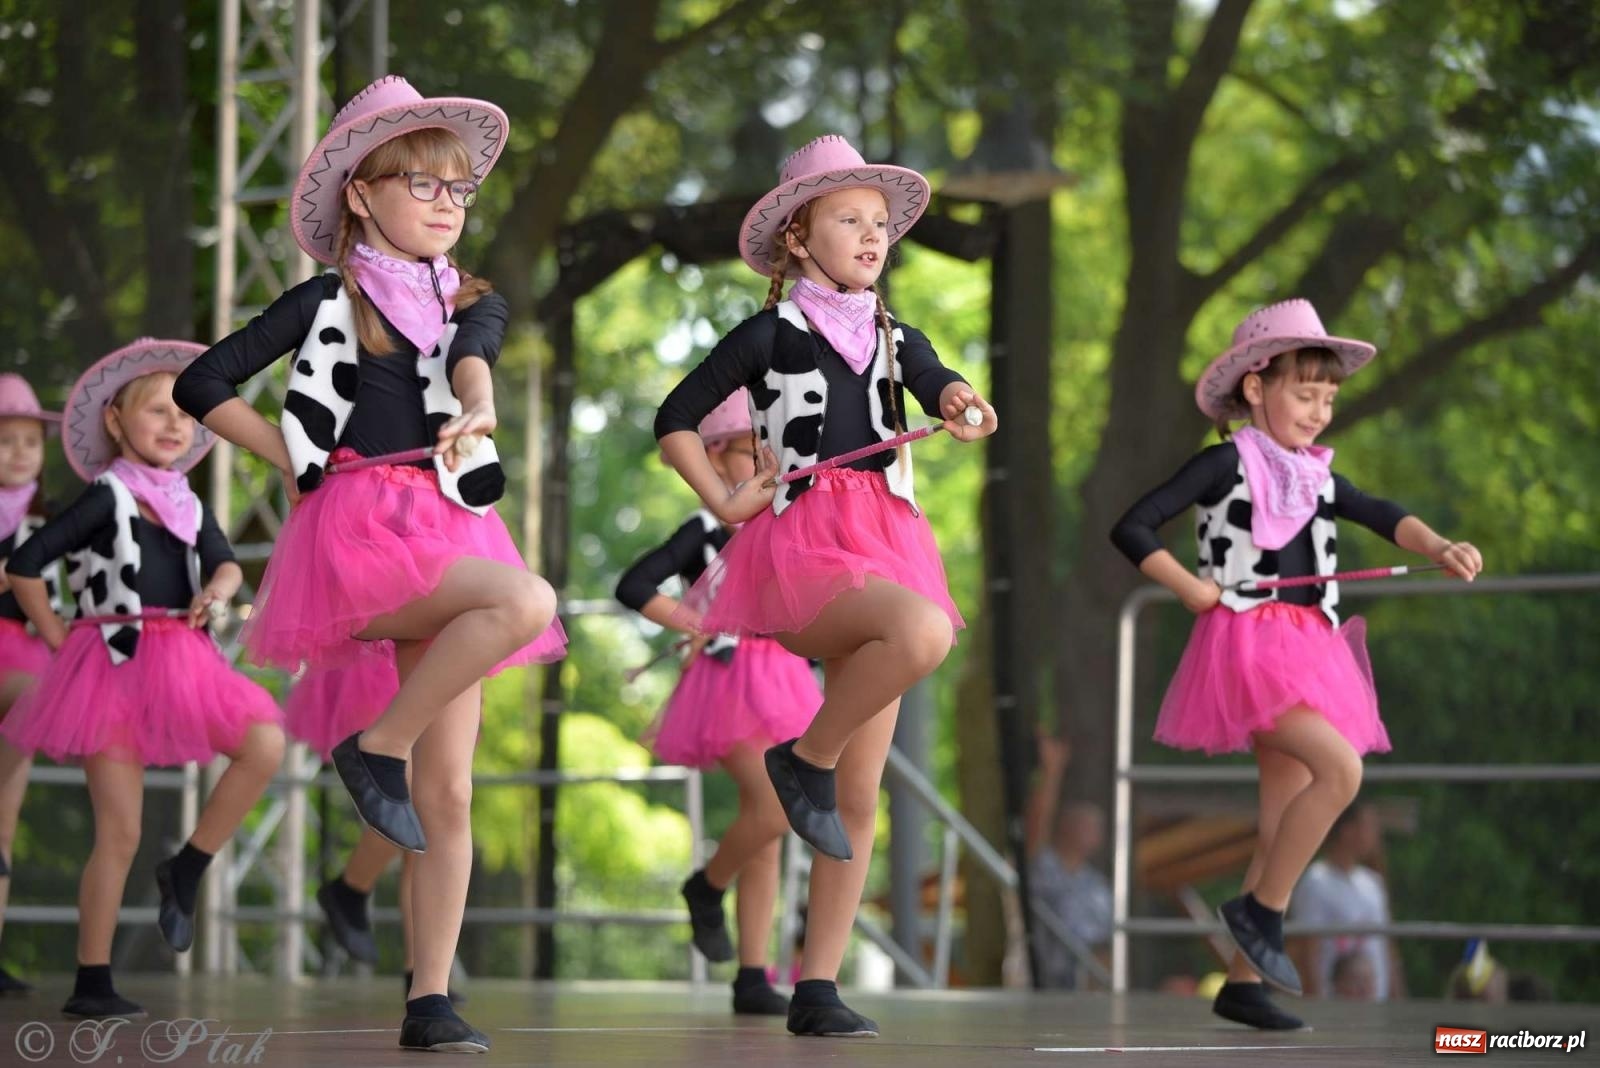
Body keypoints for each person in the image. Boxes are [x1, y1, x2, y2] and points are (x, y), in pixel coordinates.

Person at [175, 75, 565, 1053]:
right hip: (358, 530)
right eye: (421, 183)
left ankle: (429, 998)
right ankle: (375, 745)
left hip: (451, 528)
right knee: (526, 599)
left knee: (452, 792)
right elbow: (202, 381)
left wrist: (474, 404)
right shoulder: (324, 301)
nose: (445, 201)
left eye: (458, 189)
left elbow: (473, 355)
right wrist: (295, 461)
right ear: (361, 192)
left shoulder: (471, 297)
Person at [655, 134, 997, 1036]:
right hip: (806, 549)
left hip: (889, 543)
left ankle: (818, 986)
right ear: (800, 238)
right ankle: (798, 757)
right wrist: (725, 501)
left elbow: (937, 383)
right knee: (924, 635)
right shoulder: (771, 332)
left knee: (862, 793)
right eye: (849, 218)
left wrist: (963, 403)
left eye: (880, 222)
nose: (871, 234)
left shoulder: (894, 332)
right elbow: (675, 419)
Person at [1110, 299, 1482, 1030]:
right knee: (1341, 771)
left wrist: (1438, 545)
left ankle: (1244, 982)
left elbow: (1378, 510)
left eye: (1328, 399)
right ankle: (1261, 910)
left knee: (1284, 816)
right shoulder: (1226, 462)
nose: (1319, 412)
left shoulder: (1316, 474)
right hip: (1249, 647)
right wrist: (1190, 587)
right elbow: (1133, 524)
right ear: (1256, 388)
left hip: (1314, 648)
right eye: (1304, 394)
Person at [2, 342, 286, 1018]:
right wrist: (56, 638)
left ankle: (187, 864)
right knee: (119, 830)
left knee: (265, 742)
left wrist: (217, 591)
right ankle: (92, 978)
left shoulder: (186, 502)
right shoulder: (107, 496)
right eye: (157, 410)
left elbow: (223, 565)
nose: (175, 423)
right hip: (112, 665)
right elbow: (26, 567)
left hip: (183, 660)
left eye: (186, 414)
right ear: (115, 422)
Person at [617, 389, 821, 1016]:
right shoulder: (705, 529)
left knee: (770, 833)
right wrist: (693, 622)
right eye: (745, 447)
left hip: (786, 678)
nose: (762, 456)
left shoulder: (785, 519)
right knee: (775, 803)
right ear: (714, 455)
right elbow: (634, 585)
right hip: (727, 685)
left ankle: (752, 973)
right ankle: (705, 889)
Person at [0, 374, 65, 996]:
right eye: (6, 442)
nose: (21, 453)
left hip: (24, 660)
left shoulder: (49, 523)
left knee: (5, 816)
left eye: (30, 442)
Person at [1288, 800, 1402, 1000]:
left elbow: (1387, 947)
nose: (1375, 835)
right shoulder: (1316, 882)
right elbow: (1307, 949)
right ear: (1347, 830)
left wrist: (1398, 997)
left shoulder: (1373, 883)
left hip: (1376, 1003)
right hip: (1334, 1004)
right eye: (1368, 826)